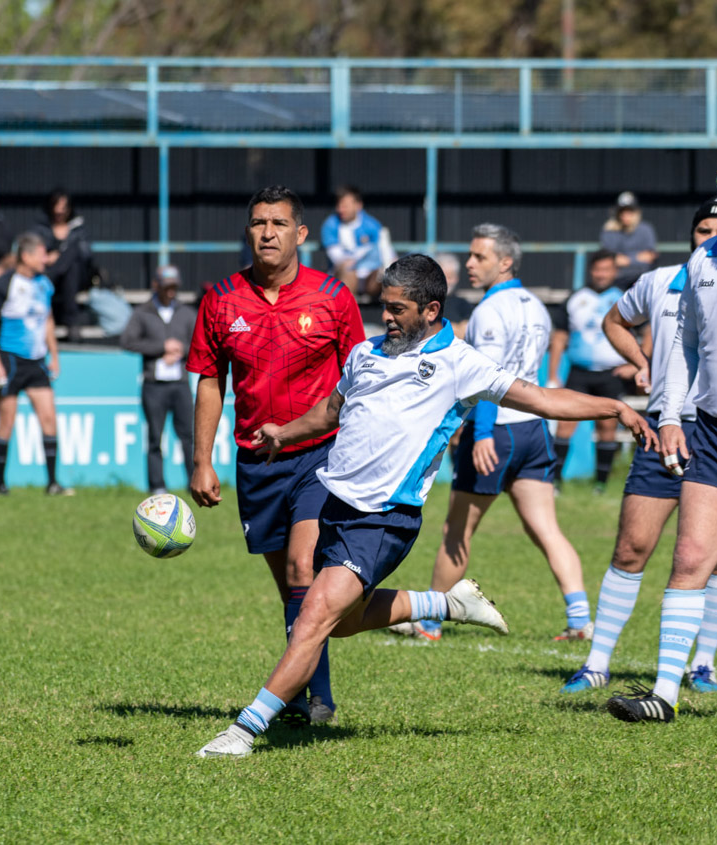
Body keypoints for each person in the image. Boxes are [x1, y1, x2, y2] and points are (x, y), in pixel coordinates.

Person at [195, 254, 657, 758]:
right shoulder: (365, 354)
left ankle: (243, 732)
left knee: (312, 617)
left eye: (397, 309)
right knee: (341, 621)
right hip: (334, 504)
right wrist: (283, 433)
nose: (385, 317)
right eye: (383, 306)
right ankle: (449, 603)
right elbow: (331, 410)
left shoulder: (460, 363)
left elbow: (543, 400)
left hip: (384, 518)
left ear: (431, 309)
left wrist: (614, 407)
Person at [188, 185, 365, 726]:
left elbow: (361, 378)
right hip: (256, 464)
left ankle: (315, 704)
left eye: (280, 224)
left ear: (301, 234)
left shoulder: (333, 297)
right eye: (259, 223)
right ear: (249, 231)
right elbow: (210, 382)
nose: (268, 232)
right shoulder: (220, 299)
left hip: (320, 454)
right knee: (295, 592)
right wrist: (202, 459)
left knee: (302, 568)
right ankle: (311, 692)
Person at [563, 199, 717, 697]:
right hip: (664, 429)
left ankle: (701, 663)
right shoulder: (661, 281)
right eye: (703, 228)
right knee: (632, 546)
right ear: (691, 235)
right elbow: (615, 321)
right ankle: (597, 663)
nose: (711, 235)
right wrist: (641, 360)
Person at [607, 154, 717, 723]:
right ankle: (664, 695)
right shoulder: (702, 259)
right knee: (691, 556)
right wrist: (669, 414)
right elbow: (685, 346)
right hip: (714, 434)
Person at [398, 225, 591, 643]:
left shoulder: (489, 310)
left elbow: (487, 381)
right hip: (533, 432)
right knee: (547, 529)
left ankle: (429, 622)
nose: (469, 263)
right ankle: (580, 619)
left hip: (496, 433)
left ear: (505, 262)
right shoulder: (537, 306)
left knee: (456, 532)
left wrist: (481, 433)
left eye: (479, 257)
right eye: (470, 256)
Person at [0, 232, 72, 497]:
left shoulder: (44, 284)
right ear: (27, 255)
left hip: (37, 362)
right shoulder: (4, 284)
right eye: (43, 254)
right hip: (10, 360)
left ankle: (53, 483)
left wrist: (54, 355)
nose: (47, 259)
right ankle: (0, 484)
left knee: (49, 420)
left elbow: (48, 320)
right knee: (6, 424)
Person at [548, 250, 637, 491]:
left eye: (607, 269)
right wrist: (553, 373)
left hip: (611, 373)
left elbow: (646, 332)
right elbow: (559, 336)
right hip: (579, 371)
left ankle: (601, 484)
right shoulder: (576, 297)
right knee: (565, 424)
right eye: (598, 269)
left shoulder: (624, 297)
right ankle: (555, 482)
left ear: (614, 271)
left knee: (607, 427)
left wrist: (637, 364)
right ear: (591, 270)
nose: (602, 274)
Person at [119, 265, 196, 495]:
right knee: (154, 437)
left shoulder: (187, 313)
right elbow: (128, 341)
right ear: (156, 286)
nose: (170, 292)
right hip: (154, 385)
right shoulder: (143, 313)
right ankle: (157, 485)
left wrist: (182, 350)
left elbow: (200, 345)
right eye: (166, 287)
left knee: (188, 436)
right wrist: (160, 348)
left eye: (174, 288)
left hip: (180, 384)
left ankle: (193, 481)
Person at [31, 189, 97, 336]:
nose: (59, 211)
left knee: (73, 258)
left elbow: (87, 256)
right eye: (56, 206)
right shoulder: (40, 228)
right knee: (69, 266)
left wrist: (60, 257)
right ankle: (72, 321)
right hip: (47, 273)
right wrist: (46, 257)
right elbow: (32, 252)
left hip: (73, 279)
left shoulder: (78, 229)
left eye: (64, 207)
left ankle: (55, 275)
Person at [320, 185, 384, 296]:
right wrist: (362, 255)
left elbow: (384, 251)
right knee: (348, 269)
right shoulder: (330, 224)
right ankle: (349, 311)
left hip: (368, 278)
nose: (340, 209)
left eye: (345, 206)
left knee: (387, 275)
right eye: (339, 205)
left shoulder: (372, 224)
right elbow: (337, 258)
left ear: (358, 205)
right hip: (341, 276)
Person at [600, 191, 659, 289]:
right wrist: (638, 258)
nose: (625, 215)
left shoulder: (645, 229)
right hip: (618, 281)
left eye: (629, 211)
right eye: (622, 211)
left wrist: (627, 259)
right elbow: (612, 260)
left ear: (636, 212)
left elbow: (650, 256)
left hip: (643, 279)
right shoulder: (610, 230)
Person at [435, 251, 472, 338]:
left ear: (457, 278)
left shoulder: (464, 305)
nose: (446, 281)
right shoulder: (425, 302)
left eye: (450, 277)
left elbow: (464, 333)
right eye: (443, 276)